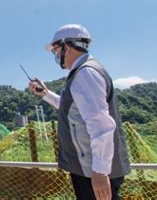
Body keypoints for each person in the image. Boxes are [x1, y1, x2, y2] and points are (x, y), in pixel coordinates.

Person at [29, 24, 130, 200]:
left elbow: (101, 126)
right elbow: (74, 110)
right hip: (89, 167)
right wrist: (45, 94)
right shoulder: (83, 72)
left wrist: (99, 172)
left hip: (93, 169)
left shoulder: (85, 74)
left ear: (65, 47)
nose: (55, 56)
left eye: (55, 51)